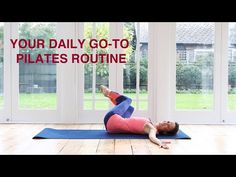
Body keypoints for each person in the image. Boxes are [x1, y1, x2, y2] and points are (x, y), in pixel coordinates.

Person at [100, 85, 179, 149]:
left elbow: (152, 137)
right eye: (168, 121)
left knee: (128, 100)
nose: (166, 122)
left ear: (165, 132)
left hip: (111, 119)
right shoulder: (151, 124)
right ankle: (109, 96)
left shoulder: (152, 128)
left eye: (167, 126)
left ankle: (108, 92)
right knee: (130, 108)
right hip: (111, 127)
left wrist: (159, 142)